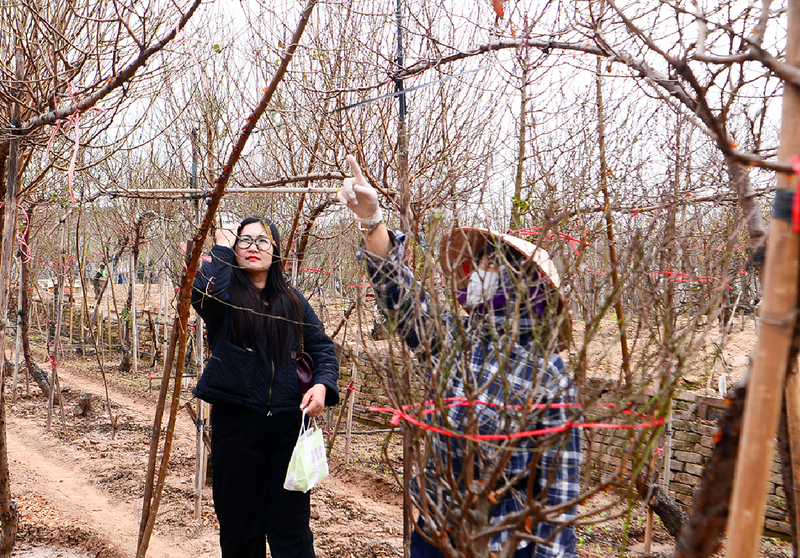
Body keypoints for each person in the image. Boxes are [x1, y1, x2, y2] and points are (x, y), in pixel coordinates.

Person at [338, 155, 581, 558]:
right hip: (435, 528)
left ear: (522, 285)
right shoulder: (459, 337)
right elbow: (404, 303)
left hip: (502, 541)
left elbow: (557, 496)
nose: (474, 272)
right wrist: (372, 223)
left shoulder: (550, 376)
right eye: (479, 261)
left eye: (489, 263)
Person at [191, 216, 340, 558]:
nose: (254, 247)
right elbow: (202, 293)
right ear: (234, 247)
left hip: (288, 430)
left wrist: (322, 385)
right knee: (241, 531)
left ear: (275, 251)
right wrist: (220, 248)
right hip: (236, 427)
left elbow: (322, 348)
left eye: (263, 241)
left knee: (293, 532)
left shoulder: (292, 300)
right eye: (244, 240)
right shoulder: (225, 297)